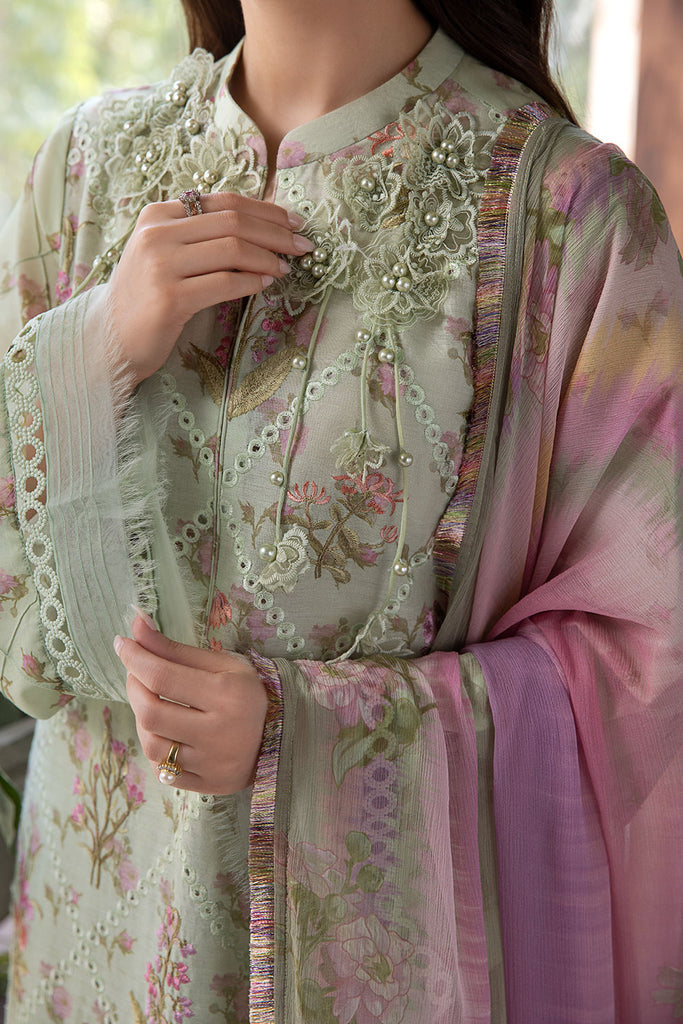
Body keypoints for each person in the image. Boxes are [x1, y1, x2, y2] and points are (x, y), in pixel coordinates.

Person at [0, 0, 680, 1021]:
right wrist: (89, 352)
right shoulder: (85, 170)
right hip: (98, 952)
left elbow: (646, 660)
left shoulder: (567, 217)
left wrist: (309, 731)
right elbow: (29, 640)